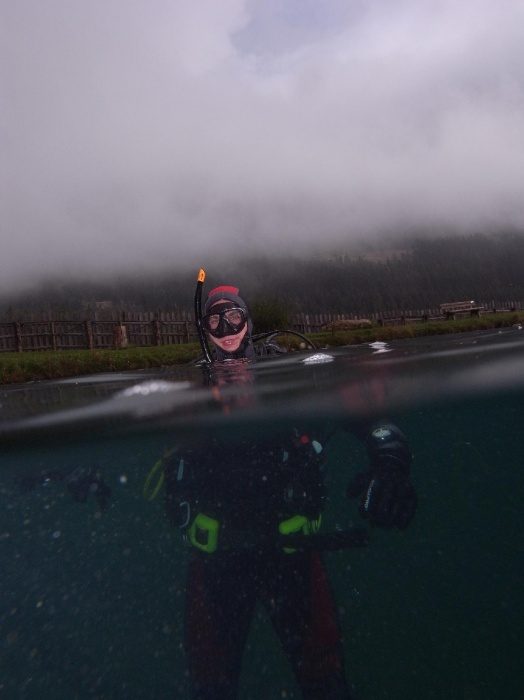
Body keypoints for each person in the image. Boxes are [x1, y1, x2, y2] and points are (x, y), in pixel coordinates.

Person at [161, 283, 417, 700]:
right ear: (204, 329)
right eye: (215, 321)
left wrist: (391, 460)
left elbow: (369, 420)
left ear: (248, 322)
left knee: (325, 684)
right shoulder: (191, 394)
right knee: (211, 688)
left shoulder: (291, 375)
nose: (226, 329)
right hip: (218, 565)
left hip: (293, 557)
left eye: (234, 317)